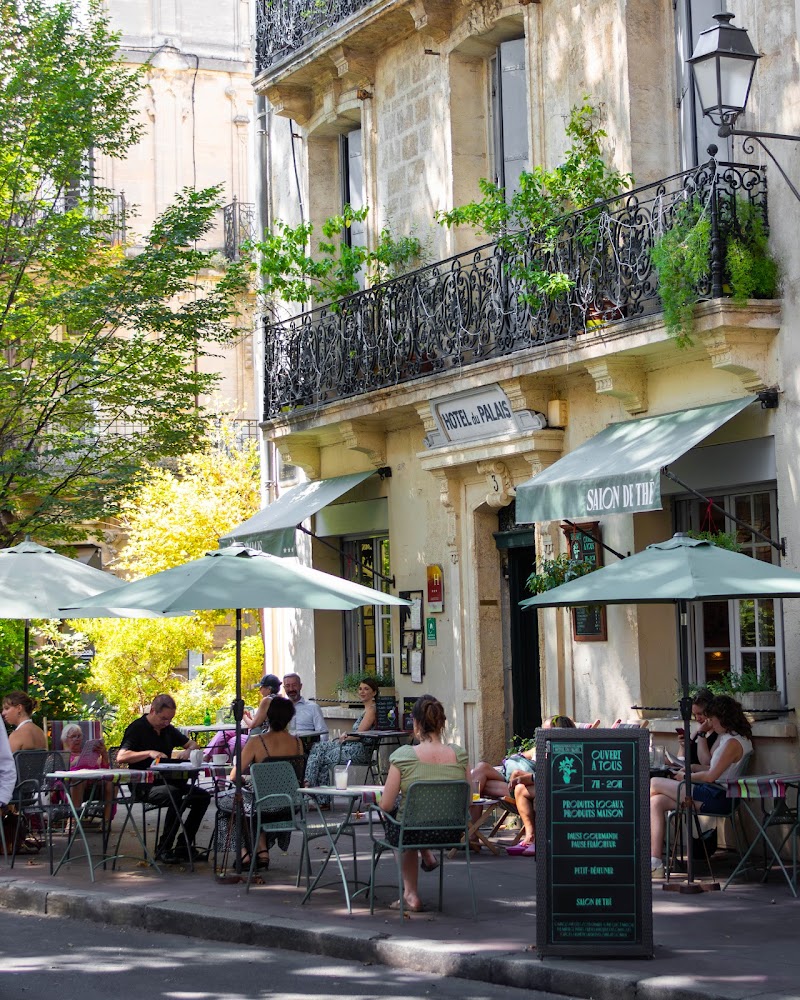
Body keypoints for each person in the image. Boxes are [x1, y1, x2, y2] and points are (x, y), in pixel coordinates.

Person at [379, 694, 469, 913]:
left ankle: (410, 894)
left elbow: (385, 805)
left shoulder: (403, 756)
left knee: (399, 819)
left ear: (416, 722)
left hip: (413, 833)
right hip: (451, 832)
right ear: (442, 723)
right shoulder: (460, 755)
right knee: (412, 815)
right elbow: (467, 798)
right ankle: (426, 854)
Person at [649, 694, 753, 879]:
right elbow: (712, 766)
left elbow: (711, 775)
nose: (710, 723)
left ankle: (629, 826)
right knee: (656, 802)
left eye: (712, 719)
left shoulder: (732, 743)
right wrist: (691, 768)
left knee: (654, 782)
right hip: (714, 793)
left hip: (718, 796)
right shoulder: (730, 737)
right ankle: (654, 862)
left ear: (723, 718)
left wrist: (685, 776)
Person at [117, 694, 211, 864]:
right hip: (144, 785)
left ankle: (183, 846)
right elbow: (121, 756)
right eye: (163, 718)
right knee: (175, 795)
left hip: (168, 781)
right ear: (153, 710)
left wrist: (188, 751)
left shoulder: (168, 729)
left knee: (202, 797)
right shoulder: (137, 728)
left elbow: (192, 744)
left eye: (170, 719)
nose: (166, 723)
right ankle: (164, 848)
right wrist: (148, 752)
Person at [217, 696, 305, 869]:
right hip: (290, 804)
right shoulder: (298, 742)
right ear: (290, 717)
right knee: (251, 805)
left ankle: (243, 854)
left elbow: (234, 776)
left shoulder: (257, 742)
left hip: (263, 804)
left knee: (229, 805)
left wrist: (246, 779)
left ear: (267, 716)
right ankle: (261, 850)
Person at [504, 715, 577, 854]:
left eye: (546, 731)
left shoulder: (567, 748)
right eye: (542, 731)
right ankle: (530, 836)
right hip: (550, 785)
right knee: (520, 789)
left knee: (540, 794)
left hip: (567, 789)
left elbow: (557, 775)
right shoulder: (547, 748)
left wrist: (528, 778)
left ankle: (541, 842)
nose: (542, 735)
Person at [303, 677, 378, 802]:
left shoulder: (371, 710)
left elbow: (360, 734)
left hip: (360, 751)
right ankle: (319, 797)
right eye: (360, 689)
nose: (362, 692)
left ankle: (309, 787)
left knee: (319, 753)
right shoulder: (366, 710)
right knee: (318, 750)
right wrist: (347, 736)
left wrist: (346, 736)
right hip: (351, 747)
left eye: (366, 689)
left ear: (374, 692)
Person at [57, 723, 115, 823]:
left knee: (112, 782)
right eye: (73, 736)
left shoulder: (89, 754)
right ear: (65, 739)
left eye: (79, 736)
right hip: (72, 787)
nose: (77, 739)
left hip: (94, 787)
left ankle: (106, 821)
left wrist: (104, 754)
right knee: (78, 779)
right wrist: (75, 762)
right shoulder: (61, 756)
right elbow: (57, 776)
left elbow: (105, 769)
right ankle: (73, 821)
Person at [678, 688, 719, 766]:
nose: (697, 719)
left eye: (700, 714)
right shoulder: (696, 732)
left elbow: (707, 763)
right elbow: (681, 760)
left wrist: (702, 734)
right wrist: (683, 746)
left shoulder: (718, 735)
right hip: (686, 772)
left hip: (699, 776)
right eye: (694, 715)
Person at [282, 673, 329, 740]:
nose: (291, 689)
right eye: (287, 686)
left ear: (300, 686)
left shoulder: (313, 707)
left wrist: (318, 749)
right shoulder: (280, 709)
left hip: (308, 747)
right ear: (284, 688)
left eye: (294, 685)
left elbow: (323, 733)